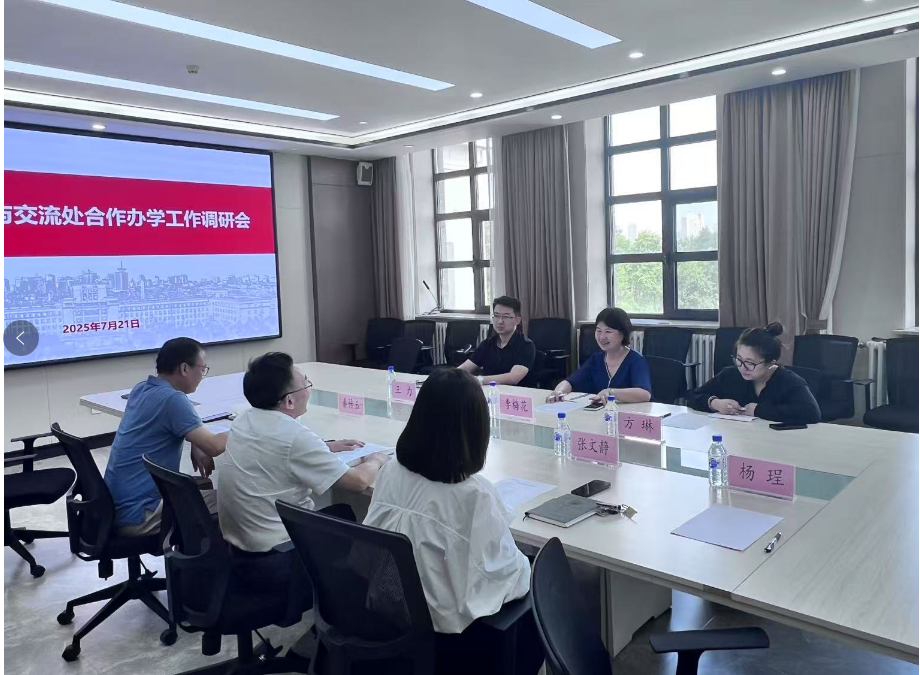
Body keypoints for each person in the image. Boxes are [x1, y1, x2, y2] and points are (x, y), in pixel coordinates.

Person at [364, 368, 538, 675]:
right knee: (538, 575)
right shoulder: (473, 494)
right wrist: (531, 565)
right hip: (446, 632)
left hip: (388, 608)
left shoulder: (390, 470)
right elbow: (504, 579)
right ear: (475, 428)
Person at [216, 352, 389, 589]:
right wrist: (375, 460)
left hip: (239, 551)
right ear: (289, 401)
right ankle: (345, 596)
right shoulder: (294, 436)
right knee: (354, 520)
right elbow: (358, 482)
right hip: (279, 555)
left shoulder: (244, 420)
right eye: (306, 384)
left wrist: (324, 447)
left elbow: (277, 448)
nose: (309, 388)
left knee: (340, 512)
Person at [104, 337, 228, 535]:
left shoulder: (141, 389)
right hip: (143, 513)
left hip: (116, 508)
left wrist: (195, 442)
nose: (202, 375)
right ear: (184, 369)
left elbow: (173, 423)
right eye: (202, 369)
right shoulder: (172, 399)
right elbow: (214, 446)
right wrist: (247, 423)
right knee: (234, 503)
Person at [686, 322, 821, 424]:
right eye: (739, 359)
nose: (742, 367)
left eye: (750, 363)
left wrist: (759, 410)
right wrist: (714, 403)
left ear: (770, 363)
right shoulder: (731, 374)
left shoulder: (788, 381)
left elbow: (811, 413)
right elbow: (692, 395)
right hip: (739, 440)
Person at [545, 307, 652, 404]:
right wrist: (558, 391)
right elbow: (570, 382)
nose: (602, 337)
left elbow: (645, 394)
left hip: (627, 414)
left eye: (608, 331)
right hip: (601, 413)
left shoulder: (636, 360)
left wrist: (611, 392)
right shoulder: (596, 359)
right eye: (598, 331)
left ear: (623, 333)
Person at [458, 295, 535, 386]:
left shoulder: (526, 345)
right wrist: (451, 376)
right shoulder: (487, 344)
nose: (500, 321)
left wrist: (479, 380)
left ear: (517, 320)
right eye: (497, 316)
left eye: (506, 317)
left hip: (517, 393)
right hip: (491, 391)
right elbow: (464, 369)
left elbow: (513, 378)